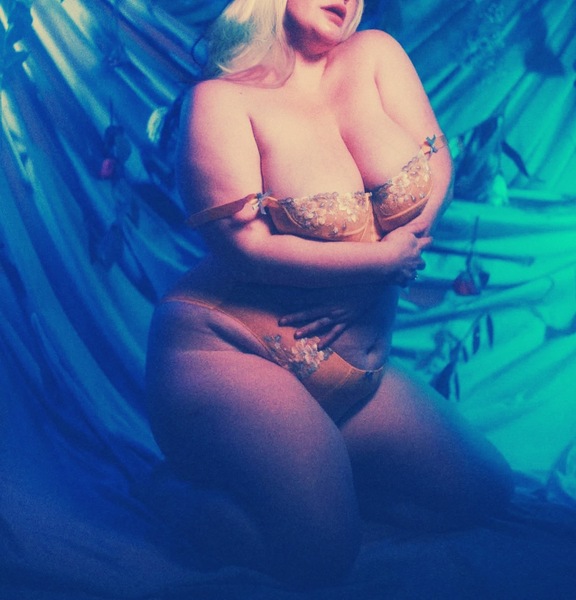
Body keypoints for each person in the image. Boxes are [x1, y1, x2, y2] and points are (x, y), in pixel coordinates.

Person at [145, 0, 513, 587]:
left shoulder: (376, 55)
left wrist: (378, 272)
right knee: (320, 558)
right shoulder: (220, 100)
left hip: (352, 375)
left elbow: (437, 162)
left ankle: (311, 466)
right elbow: (243, 249)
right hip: (229, 350)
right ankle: (176, 494)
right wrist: (378, 263)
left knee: (484, 493)